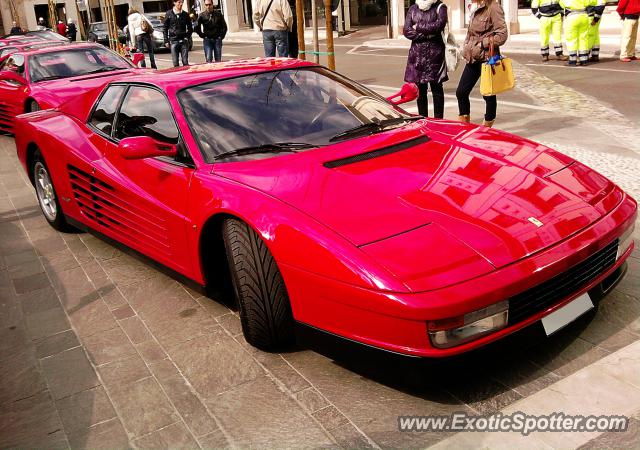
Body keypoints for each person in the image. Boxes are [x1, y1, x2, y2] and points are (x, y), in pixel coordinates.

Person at [456, 0, 508, 127]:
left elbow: (502, 34)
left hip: (488, 58)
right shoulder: (475, 7)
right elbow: (470, 32)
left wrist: (482, 44)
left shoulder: (494, 7)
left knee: (488, 94)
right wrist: (466, 47)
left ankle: (487, 127)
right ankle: (465, 126)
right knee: (461, 92)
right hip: (474, 56)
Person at [403, 0, 448, 119]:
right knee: (421, 91)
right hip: (417, 55)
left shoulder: (440, 7)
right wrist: (427, 34)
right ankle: (423, 119)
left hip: (435, 54)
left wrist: (418, 27)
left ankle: (439, 121)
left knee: (437, 89)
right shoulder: (413, 8)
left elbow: (439, 25)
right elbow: (406, 30)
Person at [560, 0, 596, 65]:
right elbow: (592, 2)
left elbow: (562, 4)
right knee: (583, 38)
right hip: (584, 16)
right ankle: (584, 60)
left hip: (572, 17)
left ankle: (572, 61)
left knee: (572, 39)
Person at [164, 0, 193, 67]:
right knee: (175, 62)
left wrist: (187, 37)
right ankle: (179, 76)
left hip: (183, 40)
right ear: (174, 2)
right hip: (173, 40)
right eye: (179, 2)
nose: (181, 4)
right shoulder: (169, 14)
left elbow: (190, 28)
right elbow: (165, 28)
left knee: (185, 62)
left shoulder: (185, 14)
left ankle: (187, 76)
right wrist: (166, 40)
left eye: (182, 2)